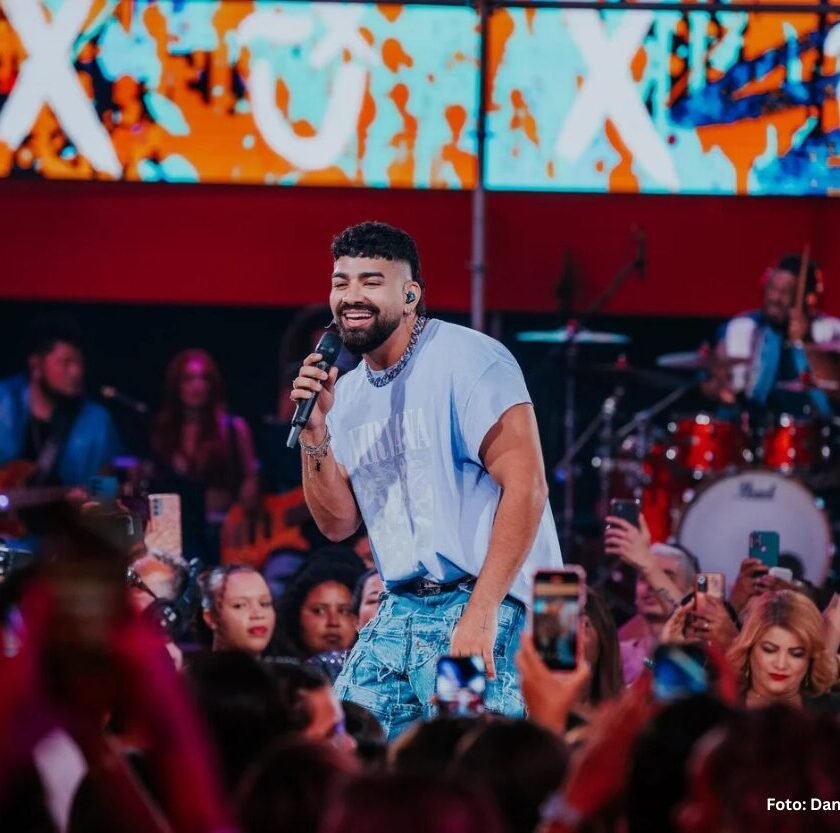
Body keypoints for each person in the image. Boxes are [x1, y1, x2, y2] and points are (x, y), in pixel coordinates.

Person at [290, 221, 562, 738]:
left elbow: (527, 487)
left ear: (410, 294)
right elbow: (336, 524)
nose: (352, 296)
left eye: (371, 281)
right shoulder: (344, 395)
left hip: (492, 601)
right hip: (403, 605)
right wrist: (315, 432)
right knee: (343, 744)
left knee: (469, 768)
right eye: (341, 282)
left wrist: (481, 612)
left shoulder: (469, 359)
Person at [701, 253, 840, 418]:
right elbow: (708, 381)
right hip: (752, 429)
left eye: (786, 292)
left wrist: (806, 340)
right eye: (772, 288)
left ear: (808, 299)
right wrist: (716, 387)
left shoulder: (830, 331)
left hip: (813, 432)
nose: (775, 298)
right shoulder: (741, 328)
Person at [151, 349, 259, 557]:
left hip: (221, 530)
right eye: (189, 379)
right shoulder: (164, 430)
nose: (197, 386)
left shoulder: (232, 427)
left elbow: (251, 479)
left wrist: (242, 514)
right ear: (177, 385)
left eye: (204, 379)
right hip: (177, 532)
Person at [0, 315, 122, 488]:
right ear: (36, 366)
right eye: (66, 363)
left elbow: (109, 482)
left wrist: (93, 498)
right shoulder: (4, 401)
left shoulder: (97, 420)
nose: (76, 372)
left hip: (72, 514)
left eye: (79, 363)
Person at [726, 589, 838, 709]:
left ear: (811, 657)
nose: (781, 665)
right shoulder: (718, 706)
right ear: (749, 649)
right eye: (769, 650)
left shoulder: (832, 711)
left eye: (796, 654)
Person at [198, 564, 276, 655]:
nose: (258, 615)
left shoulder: (289, 668)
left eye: (264, 604)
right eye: (240, 605)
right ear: (211, 618)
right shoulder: (191, 668)